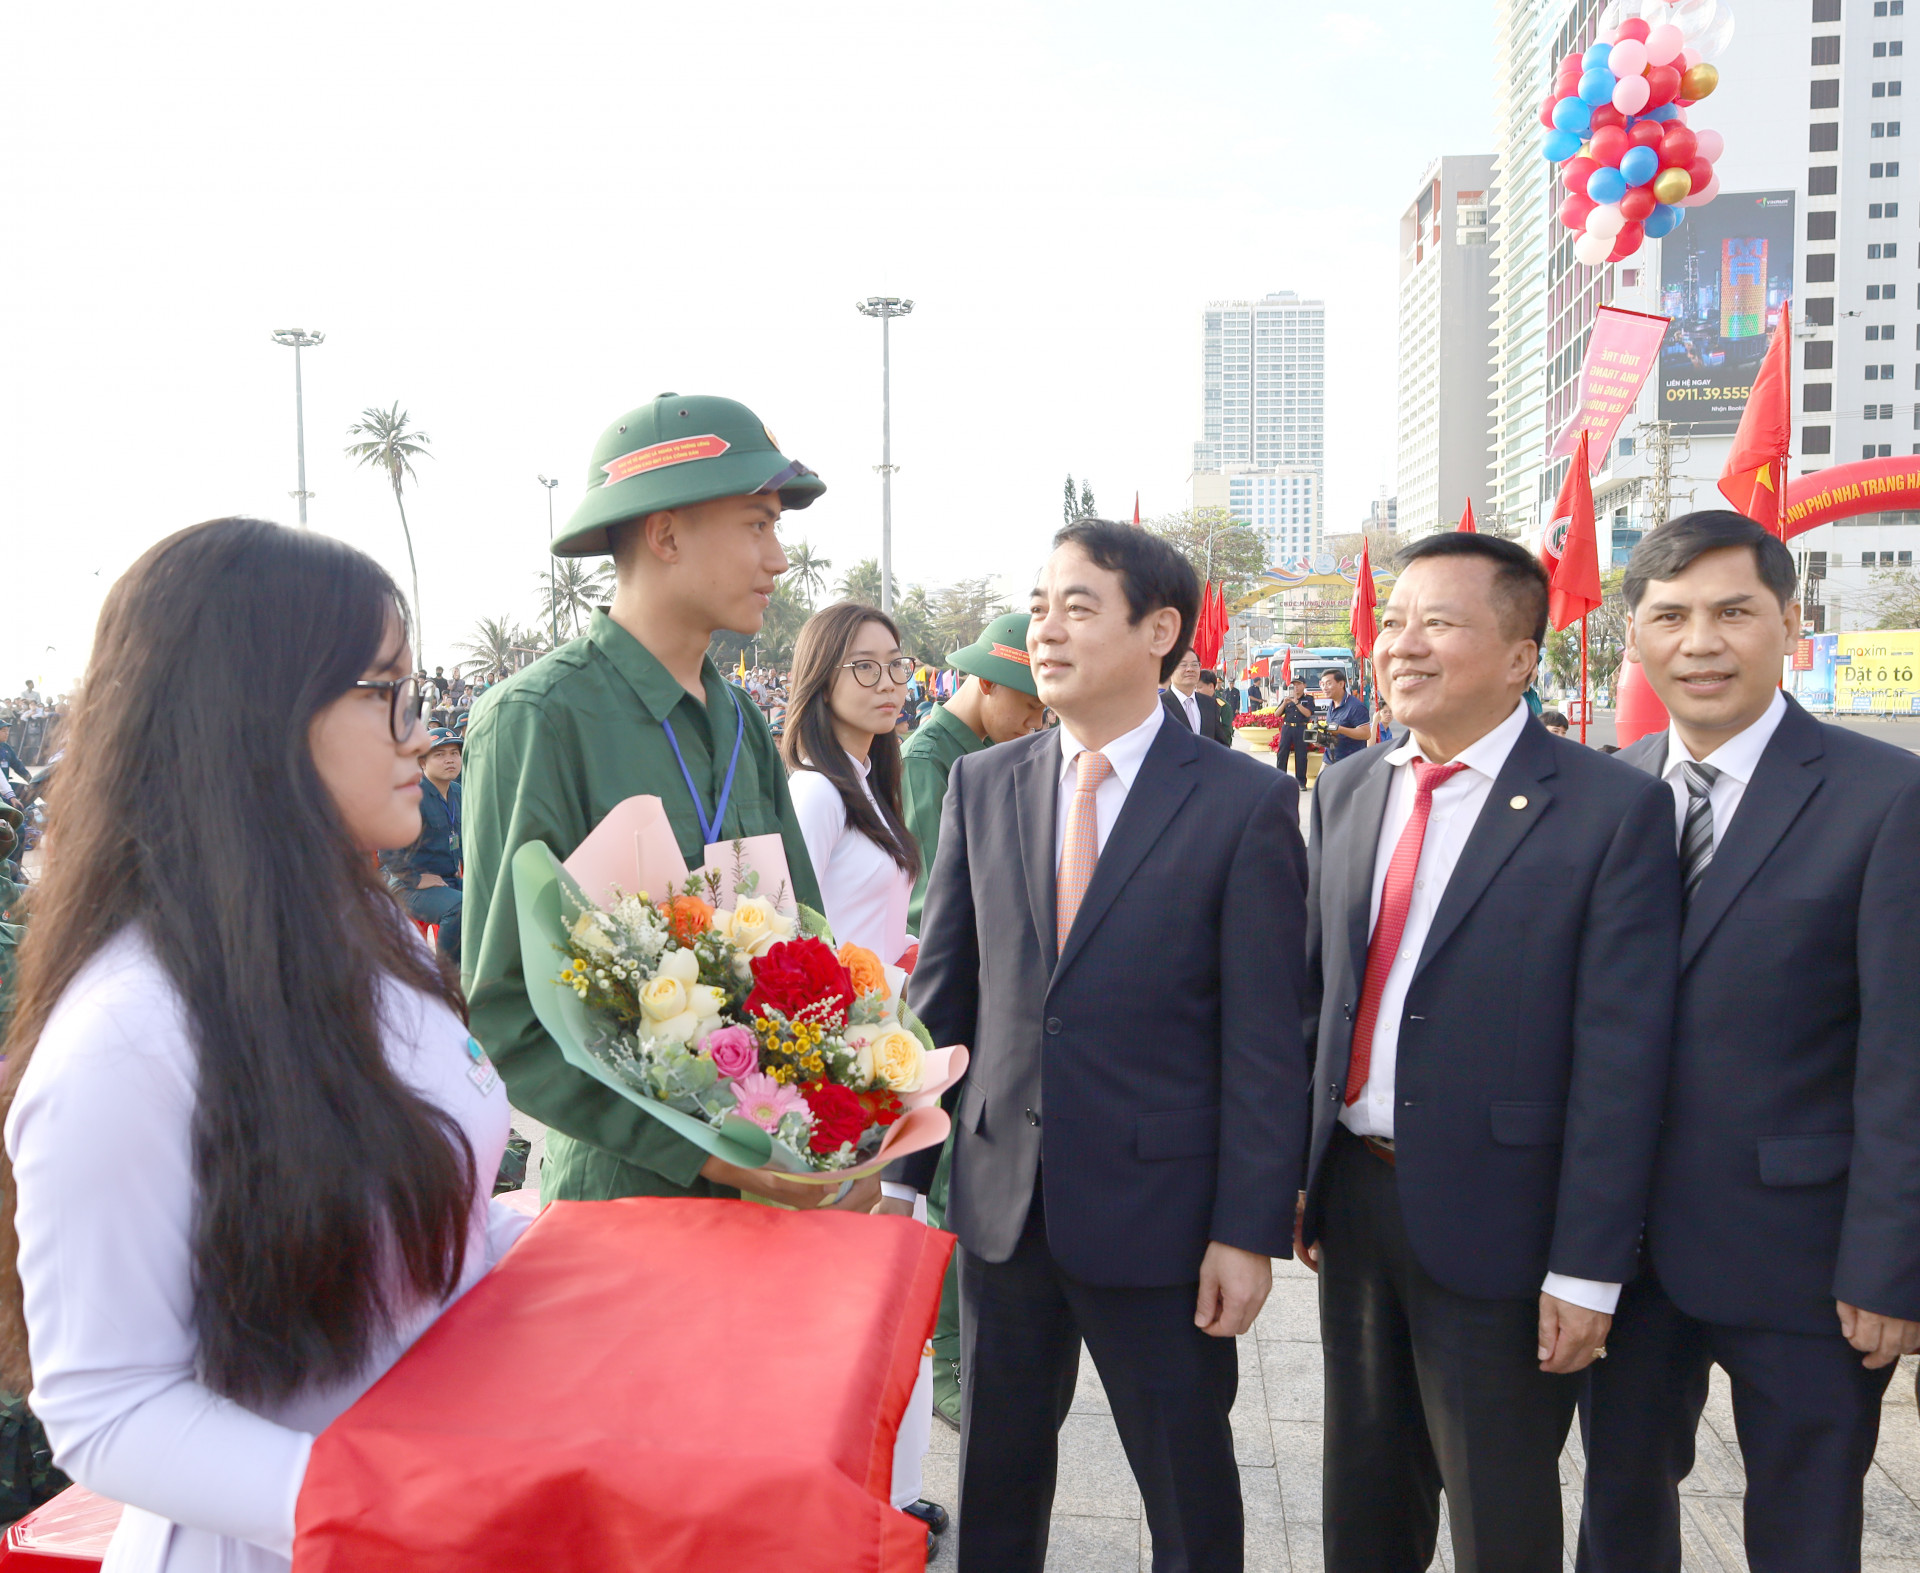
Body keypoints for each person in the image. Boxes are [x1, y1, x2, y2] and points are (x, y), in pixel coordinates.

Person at [0, 517, 529, 1573]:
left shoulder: (374, 935)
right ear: (258, 715)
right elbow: (109, 1406)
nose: (419, 734)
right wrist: (388, 1504)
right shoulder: (124, 1037)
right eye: (385, 691)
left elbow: (441, 1238)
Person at [899, 518, 1308, 1573]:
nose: (1045, 630)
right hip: (1001, 1205)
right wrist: (898, 1179)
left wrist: (1246, 1228)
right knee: (995, 1476)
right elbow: (943, 996)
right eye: (1039, 606)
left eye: (1078, 606)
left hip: (1163, 1220)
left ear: (1159, 628)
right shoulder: (986, 785)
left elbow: (1266, 1037)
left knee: (1187, 1488)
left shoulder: (1244, 800)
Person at [1297, 531, 1680, 1573]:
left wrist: (1590, 1268)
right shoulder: (1349, 787)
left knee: (1498, 1513)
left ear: (1520, 656)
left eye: (1442, 622)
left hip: (1507, 1219)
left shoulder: (1611, 810)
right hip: (1358, 1200)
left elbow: (1622, 1055)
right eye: (1395, 621)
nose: (1402, 645)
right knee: (1363, 1498)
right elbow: (1321, 1000)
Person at [1579, 512, 1920, 1573]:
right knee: (1620, 1508)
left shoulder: (1888, 797)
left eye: (1734, 611)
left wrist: (1892, 1262)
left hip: (1808, 1260)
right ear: (1632, 636)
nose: (1702, 641)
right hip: (1620, 1260)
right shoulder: (1601, 791)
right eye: (1670, 615)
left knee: (1806, 1530)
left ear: (1790, 620)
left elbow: (1905, 1055)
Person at [462, 394, 839, 1214]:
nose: (778, 558)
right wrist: (701, 1157)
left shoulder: (738, 718)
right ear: (665, 535)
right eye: (756, 524)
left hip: (773, 1191)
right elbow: (506, 1012)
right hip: (624, 1208)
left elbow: (807, 944)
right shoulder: (539, 718)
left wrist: (844, 1121)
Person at [779, 602, 945, 1547]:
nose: (888, 685)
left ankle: (892, 1491)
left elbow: (855, 922)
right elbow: (785, 930)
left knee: (892, 1276)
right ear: (822, 678)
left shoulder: (868, 783)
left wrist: (898, 955)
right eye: (866, 669)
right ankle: (864, 1499)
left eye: (896, 667)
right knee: (867, 1282)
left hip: (883, 1054)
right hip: (837, 1073)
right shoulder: (813, 788)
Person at [897, 612, 1046, 1429]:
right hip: (957, 986)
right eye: (1023, 701)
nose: (1035, 719)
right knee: (952, 1174)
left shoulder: (977, 750)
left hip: (988, 987)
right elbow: (940, 899)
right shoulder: (933, 758)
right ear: (982, 682)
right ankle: (952, 1360)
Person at [900, 612, 1046, 935]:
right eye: (1031, 705)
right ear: (987, 682)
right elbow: (930, 898)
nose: (1036, 723)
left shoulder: (999, 749)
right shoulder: (925, 760)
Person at [380, 728, 465, 961]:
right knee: (459, 908)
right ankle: (450, 978)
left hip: (446, 879)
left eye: (454, 753)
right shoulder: (410, 794)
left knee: (490, 899)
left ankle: (476, 972)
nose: (449, 759)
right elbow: (387, 847)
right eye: (439, 755)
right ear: (422, 762)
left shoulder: (457, 792)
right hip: (406, 884)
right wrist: (415, 879)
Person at [1159, 648, 1229, 743]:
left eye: (1195, 665)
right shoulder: (1158, 705)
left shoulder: (1210, 703)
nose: (1190, 669)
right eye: (1183, 664)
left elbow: (1220, 744)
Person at [1319, 669, 1371, 765]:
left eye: (1328, 684)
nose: (1324, 688)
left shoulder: (1356, 706)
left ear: (1341, 684)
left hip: (1350, 763)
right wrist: (1321, 739)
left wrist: (1340, 729)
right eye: (1322, 684)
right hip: (1329, 760)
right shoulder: (1332, 704)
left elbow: (1366, 734)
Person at [1276, 678, 1315, 788]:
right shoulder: (1287, 699)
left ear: (1304, 685)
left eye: (1298, 684)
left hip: (1301, 728)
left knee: (1301, 755)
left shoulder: (1308, 699)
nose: (1296, 687)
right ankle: (1280, 779)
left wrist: (1297, 702)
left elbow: (1308, 713)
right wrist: (1284, 703)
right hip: (1287, 728)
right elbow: (1276, 714)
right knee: (1282, 753)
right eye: (1294, 685)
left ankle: (1301, 782)